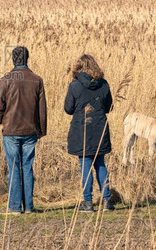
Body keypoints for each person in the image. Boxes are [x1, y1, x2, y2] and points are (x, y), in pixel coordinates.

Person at [0, 46, 47, 215]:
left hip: (11, 130)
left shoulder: (6, 79)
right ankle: (29, 207)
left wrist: (3, 121)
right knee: (27, 167)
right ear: (27, 59)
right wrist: (41, 130)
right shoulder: (37, 80)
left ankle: (15, 207)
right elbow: (42, 109)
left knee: (14, 168)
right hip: (30, 131)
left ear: (13, 59)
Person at [64, 54, 115, 212]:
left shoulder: (75, 85)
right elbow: (109, 107)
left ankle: (88, 202)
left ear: (78, 67)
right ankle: (107, 200)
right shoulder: (104, 84)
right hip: (100, 128)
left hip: (82, 130)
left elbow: (68, 109)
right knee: (100, 164)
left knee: (85, 165)